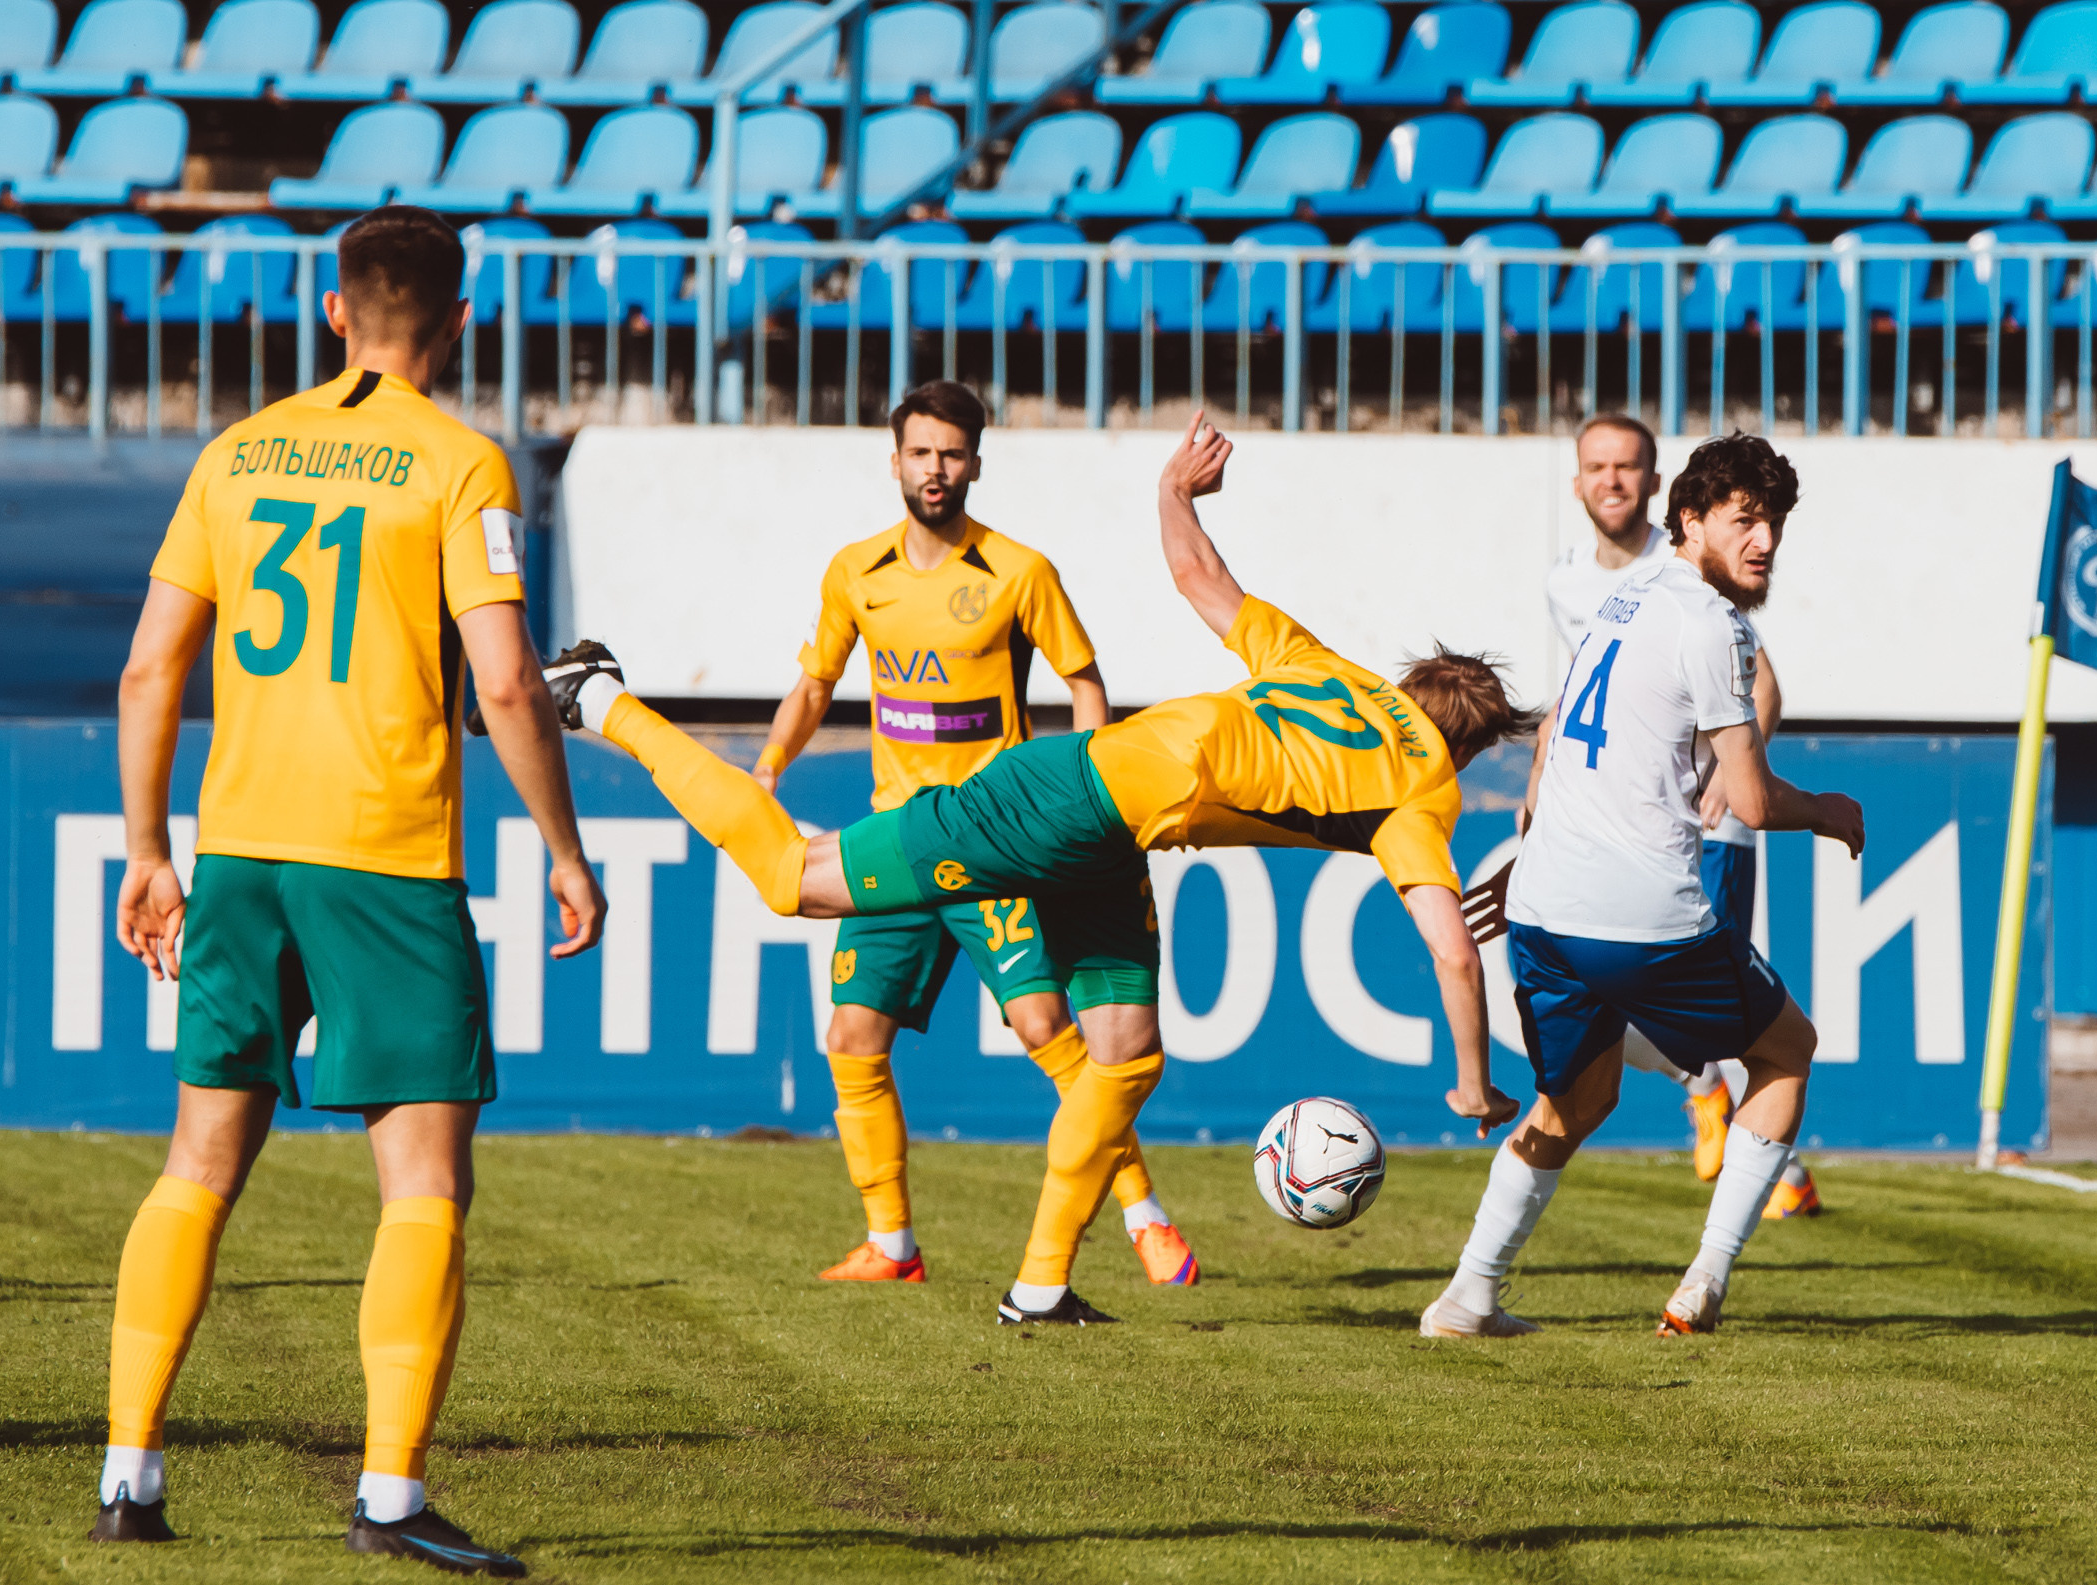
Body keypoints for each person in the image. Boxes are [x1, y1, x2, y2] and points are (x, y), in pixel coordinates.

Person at [557, 412, 1530, 1325]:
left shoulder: (1332, 673)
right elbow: (1451, 953)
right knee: (792, 876)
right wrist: (1473, 1083)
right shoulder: (1423, 788)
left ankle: (1040, 1288)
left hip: (1101, 816)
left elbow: (1199, 583)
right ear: (1474, 748)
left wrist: (1173, 493)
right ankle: (603, 702)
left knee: (1125, 1054)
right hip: (1060, 803)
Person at [96, 206, 605, 1576]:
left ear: (335, 310)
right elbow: (503, 678)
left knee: (199, 1163)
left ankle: (130, 1471)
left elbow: (149, 670)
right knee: (422, 1181)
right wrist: (563, 845)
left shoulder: (238, 449)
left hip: (246, 849)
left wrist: (152, 845)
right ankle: (388, 1494)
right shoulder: (459, 461)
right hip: (383, 857)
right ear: (458, 321)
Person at [755, 380, 1200, 1288]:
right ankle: (892, 1244)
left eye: (952, 454)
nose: (935, 469)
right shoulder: (855, 572)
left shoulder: (1018, 571)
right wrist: (765, 772)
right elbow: (814, 686)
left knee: (1045, 1025)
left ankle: (1145, 1215)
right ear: (895, 462)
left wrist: (1084, 789)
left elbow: (1083, 681)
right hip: (894, 842)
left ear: (976, 464)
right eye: (920, 452)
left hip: (992, 841)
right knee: (851, 1036)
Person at [1422, 435, 1863, 1342]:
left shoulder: (1622, 596)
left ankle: (1465, 1298)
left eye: (1773, 521)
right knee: (1787, 1053)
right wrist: (1827, 809)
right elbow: (1747, 797)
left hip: (1543, 908)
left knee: (1575, 1103)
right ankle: (1702, 1285)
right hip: (1642, 913)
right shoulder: (1713, 623)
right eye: (1744, 518)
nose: (1765, 540)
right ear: (1691, 518)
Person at [1542, 416, 1816, 1216]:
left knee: (1729, 1014)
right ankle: (1732, 1123)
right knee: (1717, 1018)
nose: (1613, 480)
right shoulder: (1569, 581)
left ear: (1660, 487)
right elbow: (1574, 693)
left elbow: (1762, 685)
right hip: (1618, 830)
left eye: (1629, 466)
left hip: (1709, 828)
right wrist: (1538, 794)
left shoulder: (1698, 577)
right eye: (1598, 466)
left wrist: (1735, 779)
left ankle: (1725, 1116)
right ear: (1578, 481)